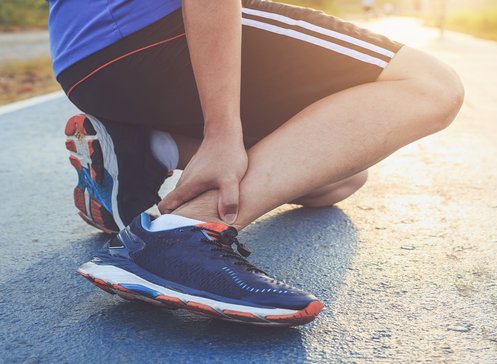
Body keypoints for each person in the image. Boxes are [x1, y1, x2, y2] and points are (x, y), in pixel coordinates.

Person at [51, 0, 463, 326]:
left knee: (342, 176)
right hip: (155, 28)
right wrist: (222, 132)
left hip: (85, 64)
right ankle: (176, 235)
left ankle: (149, 149)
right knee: (430, 87)